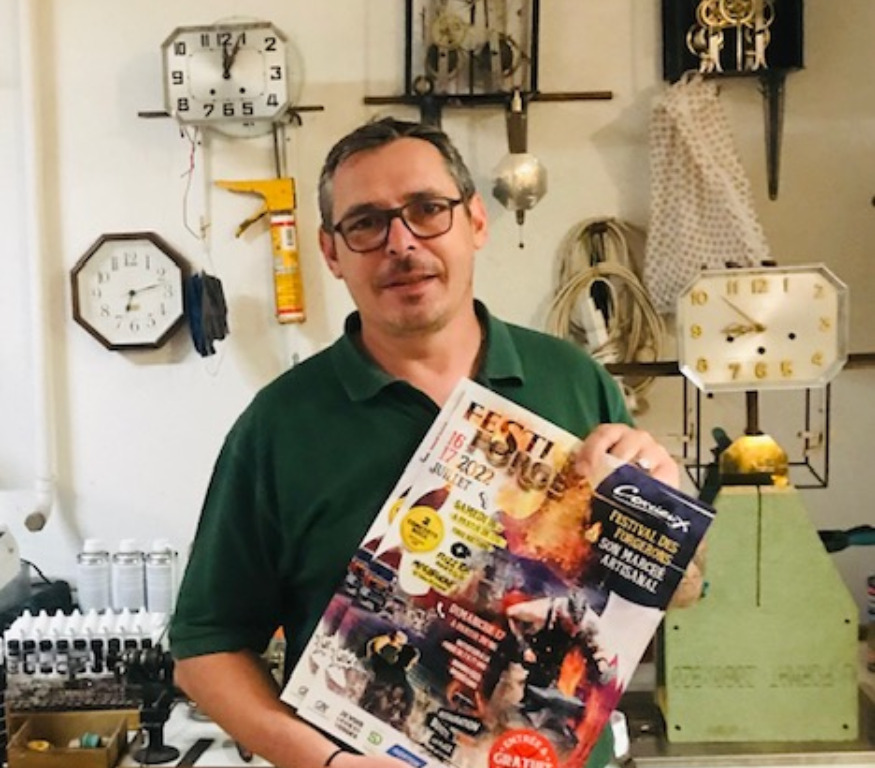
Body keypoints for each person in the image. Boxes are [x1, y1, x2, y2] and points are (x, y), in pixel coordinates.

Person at [169, 117, 683, 768]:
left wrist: (663, 509)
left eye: (427, 209)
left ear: (475, 221)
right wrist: (327, 764)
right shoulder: (278, 427)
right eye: (366, 223)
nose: (401, 242)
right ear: (331, 252)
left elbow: (675, 593)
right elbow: (204, 648)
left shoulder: (574, 382)